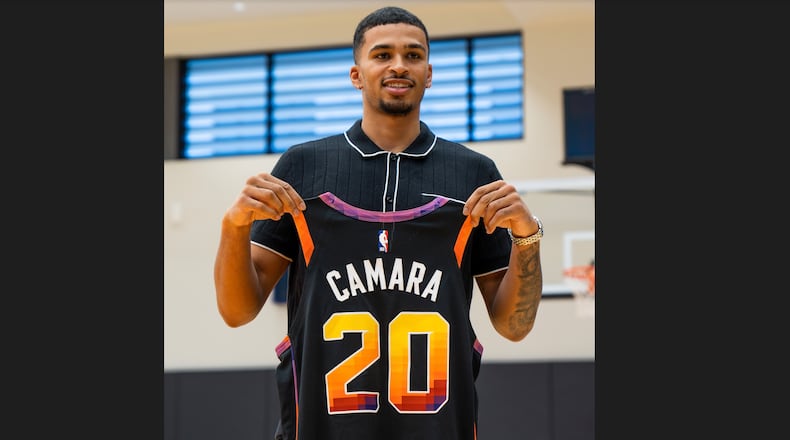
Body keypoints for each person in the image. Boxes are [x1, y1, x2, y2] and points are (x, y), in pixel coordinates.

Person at [214, 6, 544, 440]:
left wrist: (527, 236)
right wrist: (233, 226)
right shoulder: (302, 167)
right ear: (356, 74)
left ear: (429, 73)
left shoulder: (474, 174)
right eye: (382, 54)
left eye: (413, 55)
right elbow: (237, 312)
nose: (398, 65)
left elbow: (513, 326)